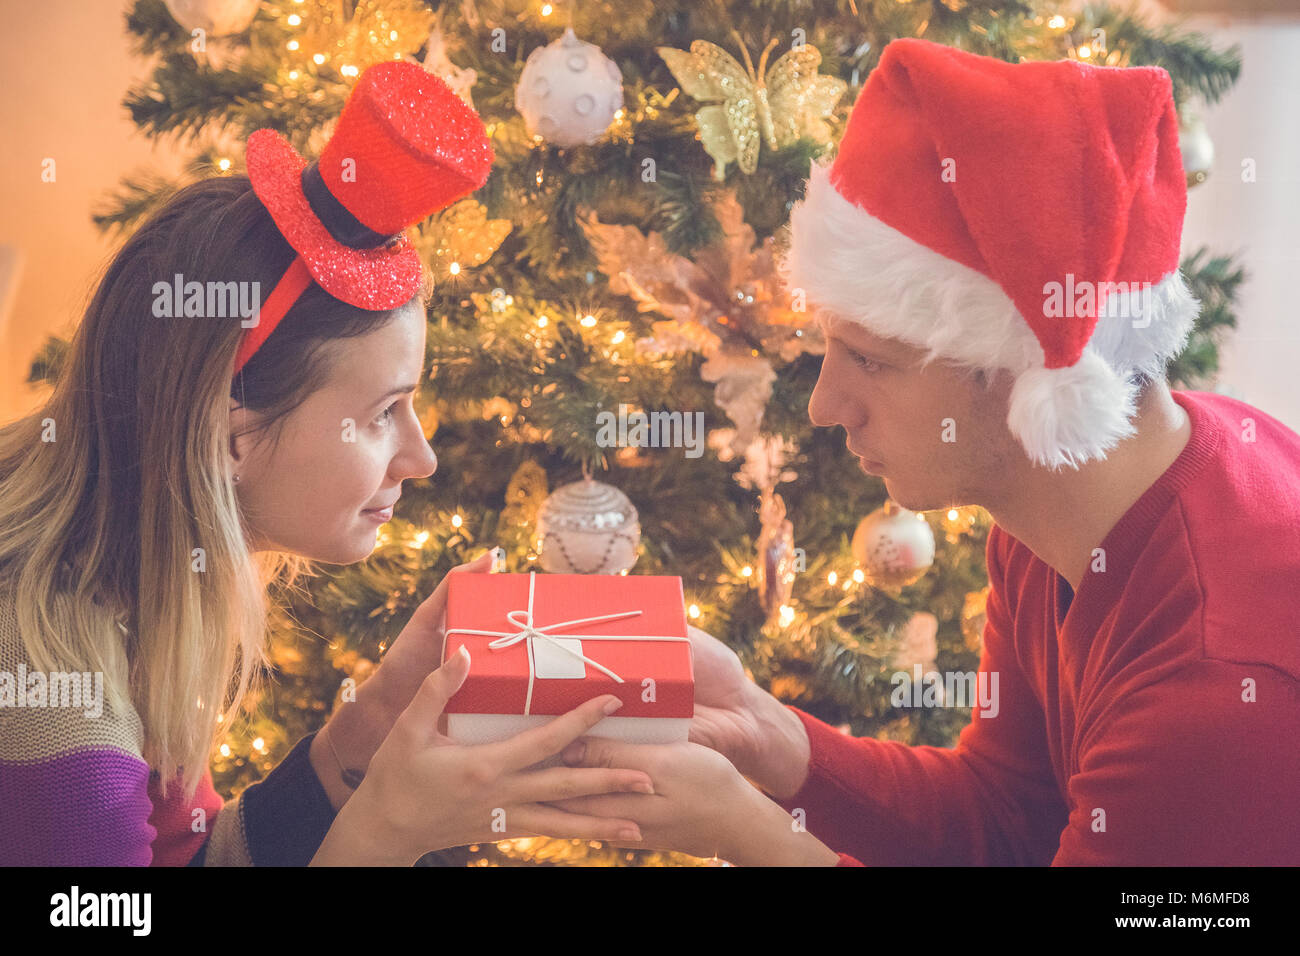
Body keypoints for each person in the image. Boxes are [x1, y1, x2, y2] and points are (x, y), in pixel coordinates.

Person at [550, 38, 1300, 865]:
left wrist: (753, 837)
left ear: (1020, 372)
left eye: (870, 359)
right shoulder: (1052, 509)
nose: (824, 406)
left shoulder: (1215, 684)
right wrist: (770, 738)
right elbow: (1009, 814)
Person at [0, 62, 653, 866]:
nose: (423, 457)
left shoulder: (133, 587)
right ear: (229, 436)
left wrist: (363, 732)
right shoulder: (48, 703)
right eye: (384, 412)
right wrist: (384, 832)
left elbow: (187, 859)